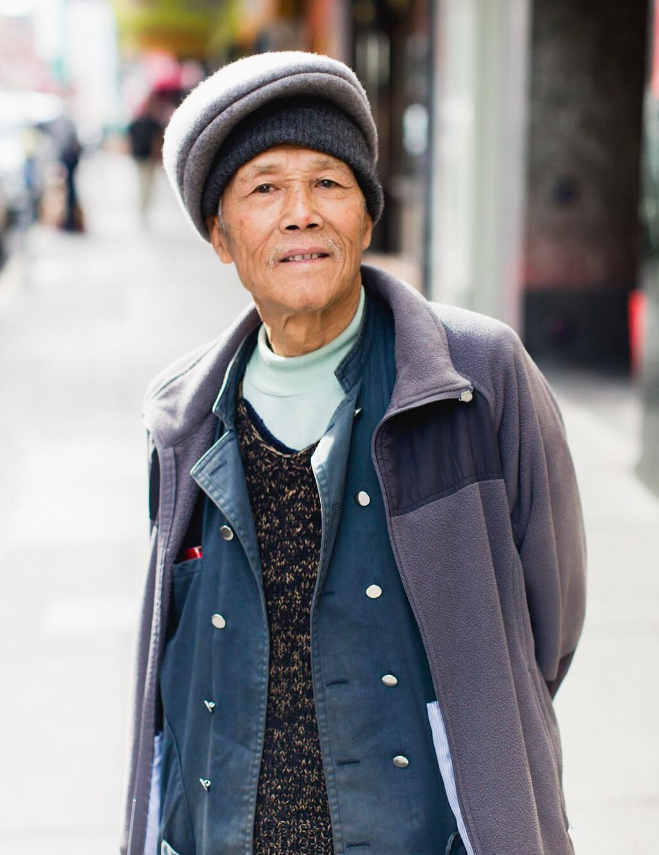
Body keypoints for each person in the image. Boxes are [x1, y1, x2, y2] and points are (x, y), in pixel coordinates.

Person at [120, 51, 586, 855]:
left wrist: (480, 733)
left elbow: (549, 619)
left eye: (329, 183)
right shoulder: (183, 414)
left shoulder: (478, 376)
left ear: (367, 220)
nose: (301, 213)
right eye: (264, 188)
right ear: (220, 235)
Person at [127, 93, 166, 227]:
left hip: (146, 157)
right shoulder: (143, 123)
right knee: (144, 183)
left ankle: (144, 206)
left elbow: (158, 140)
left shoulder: (151, 123)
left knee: (147, 183)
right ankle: (143, 207)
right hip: (142, 157)